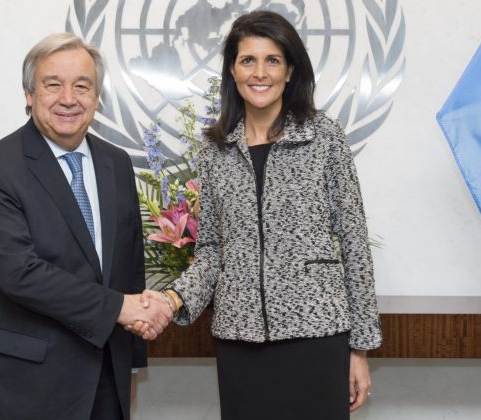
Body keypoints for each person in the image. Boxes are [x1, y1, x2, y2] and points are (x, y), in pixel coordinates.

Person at [136, 10, 383, 420]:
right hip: (240, 340)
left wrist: (360, 349)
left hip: (316, 335)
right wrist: (172, 299)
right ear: (232, 71)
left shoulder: (324, 137)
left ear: (290, 71)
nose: (260, 72)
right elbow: (212, 250)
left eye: (273, 60)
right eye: (248, 60)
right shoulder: (214, 151)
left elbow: (355, 243)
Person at [0, 33, 172, 420]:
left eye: (82, 86)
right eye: (53, 85)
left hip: (106, 381)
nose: (69, 99)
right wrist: (120, 308)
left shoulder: (117, 163)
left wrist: (131, 364)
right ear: (29, 94)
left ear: (97, 97)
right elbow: (19, 273)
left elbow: (129, 266)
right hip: (23, 385)